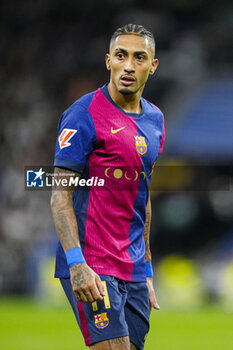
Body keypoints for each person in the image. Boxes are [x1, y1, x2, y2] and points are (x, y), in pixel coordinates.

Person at [50, 24, 165, 350]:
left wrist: (147, 270)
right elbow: (60, 196)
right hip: (93, 263)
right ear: (108, 61)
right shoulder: (82, 115)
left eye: (139, 57)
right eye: (121, 56)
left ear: (152, 66)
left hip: (133, 268)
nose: (129, 65)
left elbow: (143, 198)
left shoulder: (155, 120)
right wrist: (77, 264)